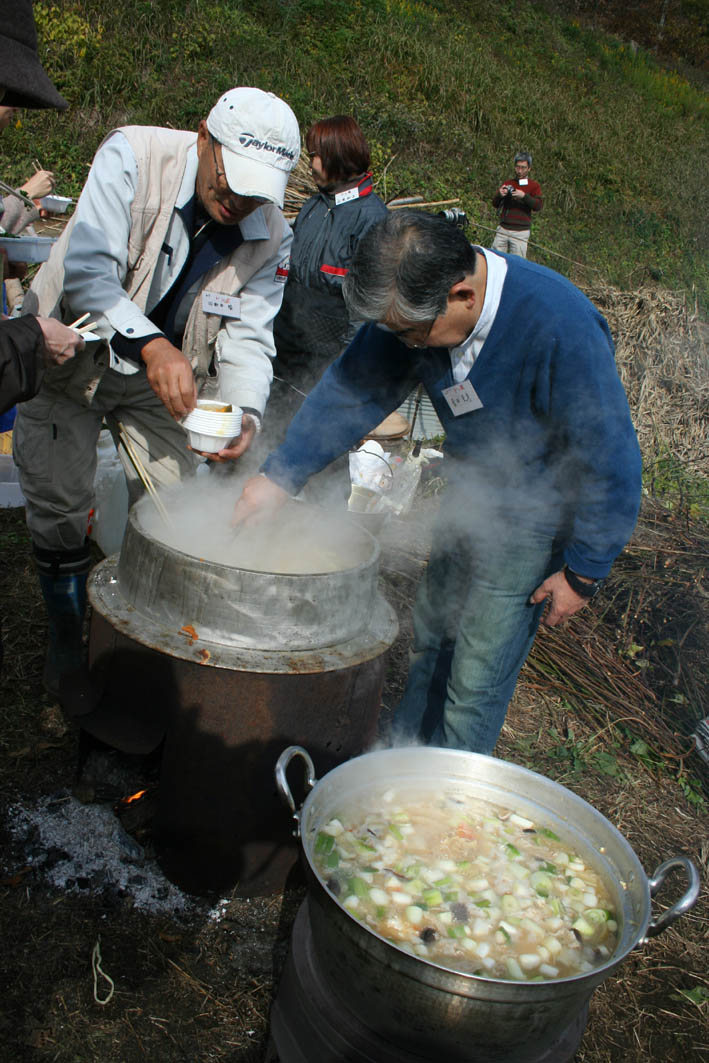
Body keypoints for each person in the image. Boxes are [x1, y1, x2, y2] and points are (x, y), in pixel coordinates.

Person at [233, 211, 642, 757]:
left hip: (534, 518)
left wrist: (585, 571)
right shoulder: (415, 311)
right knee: (430, 641)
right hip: (469, 493)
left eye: (409, 332)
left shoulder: (558, 324)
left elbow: (610, 456)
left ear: (462, 296)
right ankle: (401, 762)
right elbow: (353, 390)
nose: (403, 344)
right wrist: (279, 477)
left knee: (475, 679)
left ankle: (447, 808)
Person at [14, 86, 300, 693]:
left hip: (162, 381)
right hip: (73, 356)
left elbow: (251, 334)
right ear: (203, 138)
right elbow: (91, 272)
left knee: (174, 507)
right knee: (59, 506)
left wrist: (246, 414)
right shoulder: (133, 156)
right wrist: (151, 343)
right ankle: (67, 637)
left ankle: (150, 633)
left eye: (252, 194)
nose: (234, 202)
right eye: (227, 184)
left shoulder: (272, 231)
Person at [491, 151, 542, 258]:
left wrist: (524, 196)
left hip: (520, 232)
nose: (519, 171)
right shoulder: (508, 183)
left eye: (523, 168)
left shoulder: (534, 186)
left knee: (518, 263)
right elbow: (495, 204)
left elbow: (538, 206)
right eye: (517, 167)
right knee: (495, 258)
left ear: (529, 168)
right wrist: (500, 195)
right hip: (503, 228)